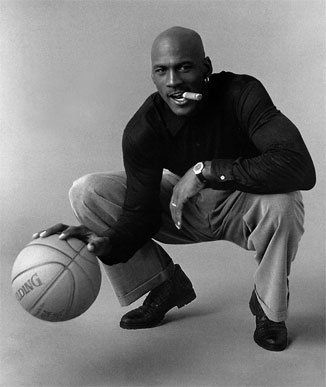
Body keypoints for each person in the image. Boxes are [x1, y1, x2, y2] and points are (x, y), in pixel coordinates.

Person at [33, 26, 315, 351]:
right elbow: (140, 216)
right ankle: (165, 285)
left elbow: (300, 167)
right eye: (161, 71)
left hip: (245, 201)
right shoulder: (144, 128)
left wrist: (206, 171)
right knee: (87, 191)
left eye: (184, 67)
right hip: (181, 207)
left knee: (285, 202)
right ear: (152, 77)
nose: (173, 82)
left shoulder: (242, 93)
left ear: (205, 68)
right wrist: (104, 242)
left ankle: (269, 309)